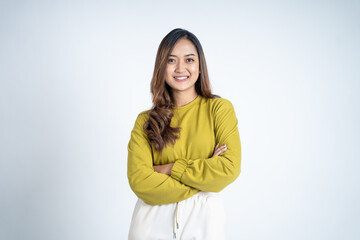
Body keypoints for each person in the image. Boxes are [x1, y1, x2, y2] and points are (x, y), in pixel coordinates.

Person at [127, 28, 241, 240]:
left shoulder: (219, 109)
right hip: (151, 224)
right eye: (171, 60)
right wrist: (204, 177)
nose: (181, 68)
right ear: (161, 66)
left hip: (204, 223)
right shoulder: (145, 121)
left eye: (189, 59)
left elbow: (228, 168)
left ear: (200, 66)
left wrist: (170, 168)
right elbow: (140, 181)